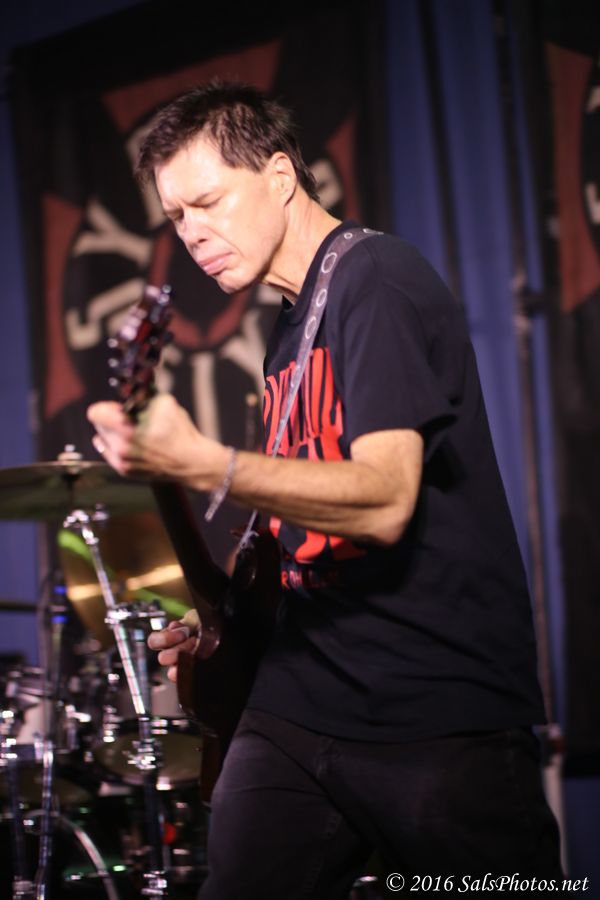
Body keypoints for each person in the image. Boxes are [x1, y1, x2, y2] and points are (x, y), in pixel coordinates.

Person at [87, 81, 562, 898]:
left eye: (207, 202)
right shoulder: (288, 329)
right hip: (302, 700)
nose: (191, 233)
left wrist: (206, 462)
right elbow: (305, 533)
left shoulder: (374, 277)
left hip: (432, 711)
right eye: (176, 217)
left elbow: (384, 499)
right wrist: (226, 626)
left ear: (279, 176)